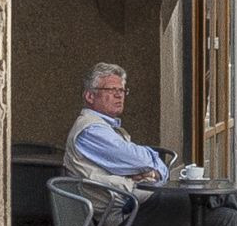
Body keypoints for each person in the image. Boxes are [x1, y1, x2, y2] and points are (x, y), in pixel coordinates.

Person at [61, 63, 171, 197]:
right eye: (111, 90)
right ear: (90, 96)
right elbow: (140, 161)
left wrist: (155, 172)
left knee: (189, 202)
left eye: (122, 90)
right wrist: (152, 168)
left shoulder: (105, 126)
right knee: (187, 202)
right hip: (118, 208)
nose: (119, 95)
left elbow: (137, 162)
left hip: (127, 199)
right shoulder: (91, 131)